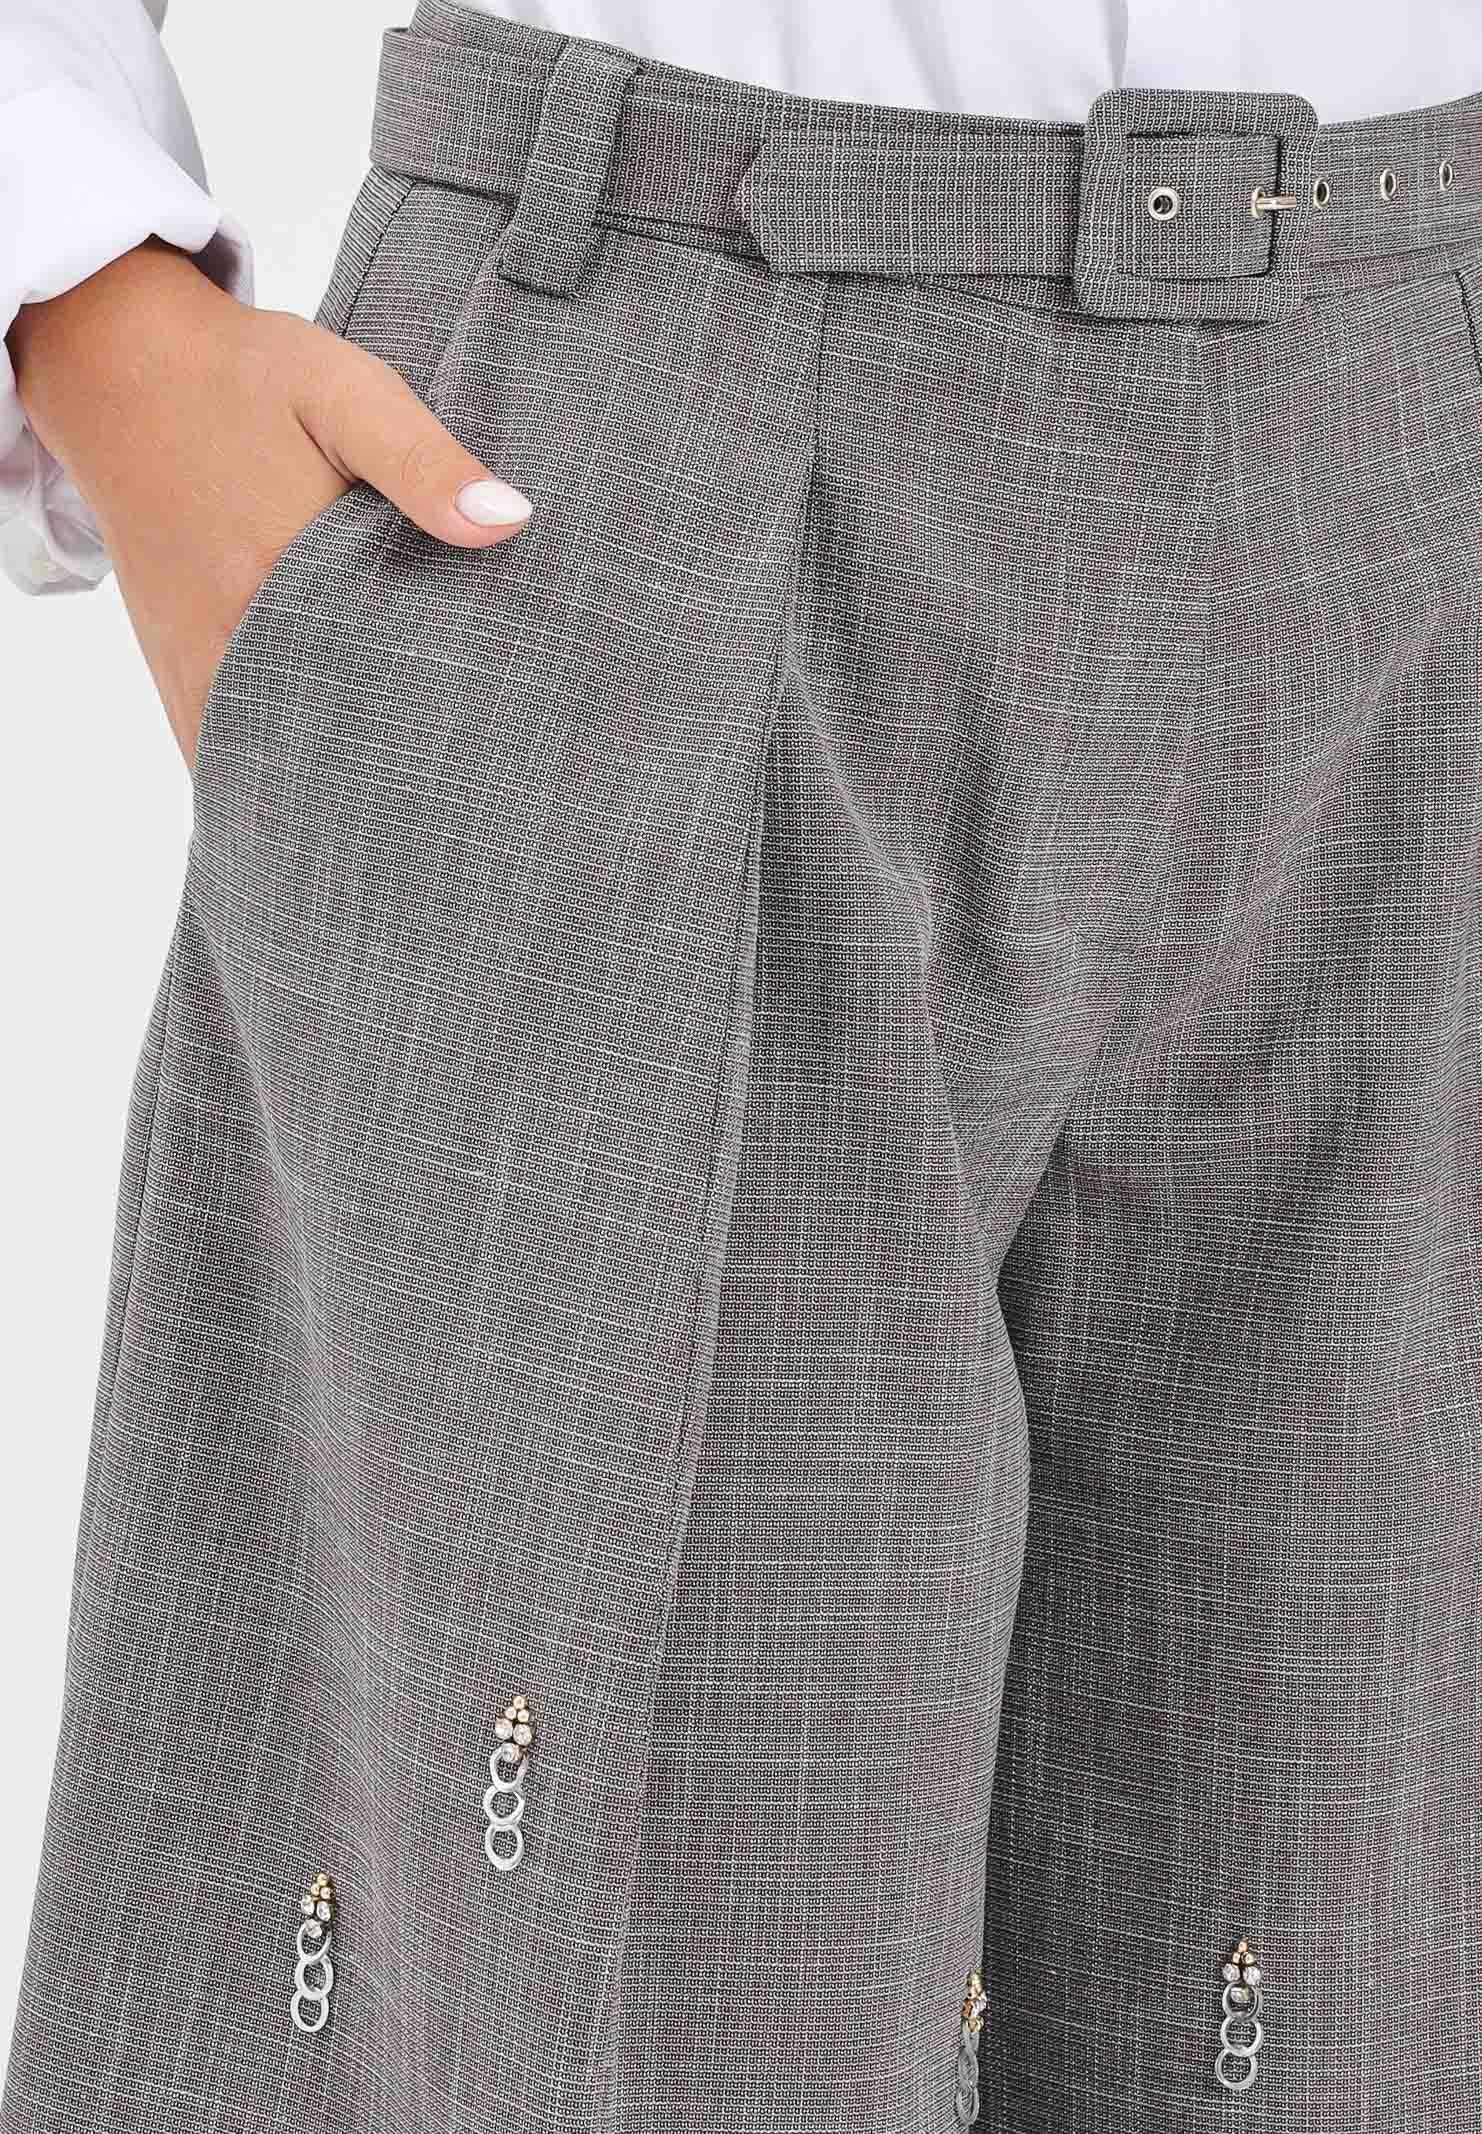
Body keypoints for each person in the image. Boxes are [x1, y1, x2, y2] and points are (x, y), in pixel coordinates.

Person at [4, 4, 1481, 2130]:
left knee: (1358, 1986)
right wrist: (90, 302)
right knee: (610, 1984)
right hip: (645, 453)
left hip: (1424, 462)